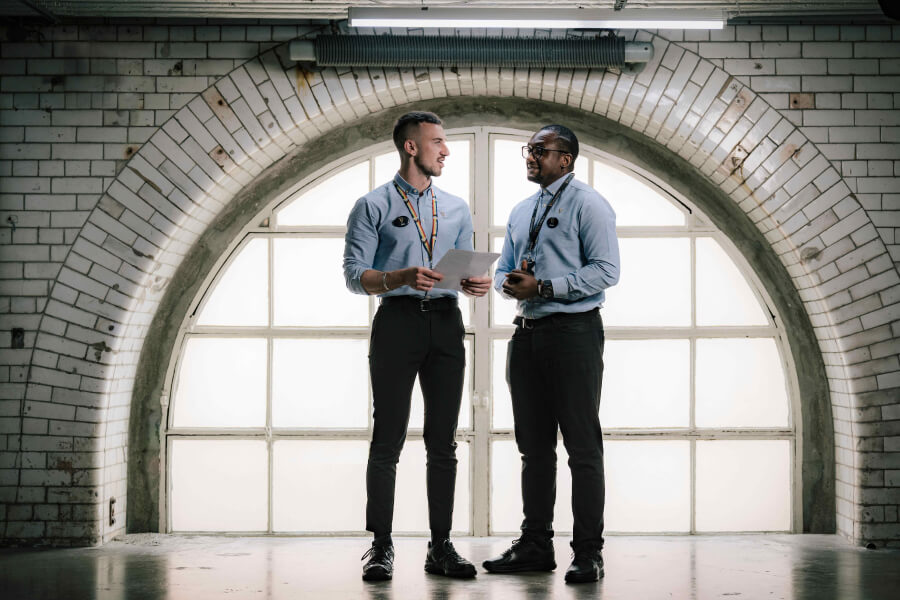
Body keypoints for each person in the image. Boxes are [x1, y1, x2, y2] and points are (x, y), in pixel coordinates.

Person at [343, 111, 491, 581]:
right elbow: (354, 276)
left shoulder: (456, 207)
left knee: (442, 442)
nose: (446, 150)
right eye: (438, 142)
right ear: (412, 148)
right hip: (397, 323)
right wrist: (399, 277)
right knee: (387, 439)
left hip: (446, 324)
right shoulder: (372, 205)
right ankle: (381, 547)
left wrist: (472, 282)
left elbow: (460, 264)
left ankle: (441, 546)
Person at [483, 124, 620, 584]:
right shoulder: (523, 210)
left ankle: (588, 553)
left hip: (574, 332)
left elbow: (606, 271)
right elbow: (506, 267)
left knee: (583, 447)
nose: (531, 156)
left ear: (567, 159)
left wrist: (544, 287)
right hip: (526, 335)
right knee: (533, 448)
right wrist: (510, 282)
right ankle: (536, 545)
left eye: (540, 150)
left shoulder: (589, 204)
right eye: (529, 149)